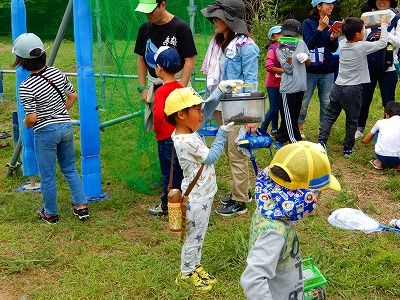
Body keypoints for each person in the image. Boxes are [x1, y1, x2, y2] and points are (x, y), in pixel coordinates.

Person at [241, 141, 341, 299]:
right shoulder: (274, 232)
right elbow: (253, 279)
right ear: (300, 197)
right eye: (317, 195)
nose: (317, 200)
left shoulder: (272, 207)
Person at [164, 86, 236, 292]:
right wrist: (222, 133)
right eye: (197, 109)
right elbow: (211, 157)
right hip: (196, 199)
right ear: (181, 114)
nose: (202, 113)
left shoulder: (185, 129)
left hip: (203, 194)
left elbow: (205, 112)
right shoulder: (186, 140)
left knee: (199, 235)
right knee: (194, 237)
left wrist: (220, 91)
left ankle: (194, 266)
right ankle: (186, 273)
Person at [12, 33, 89, 224]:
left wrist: (26, 123)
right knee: (69, 168)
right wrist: (59, 112)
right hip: (65, 126)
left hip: (45, 133)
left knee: (47, 175)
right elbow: (72, 96)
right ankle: (81, 207)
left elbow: (32, 118)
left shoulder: (26, 86)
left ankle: (51, 213)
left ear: (21, 61)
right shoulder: (57, 72)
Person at [201, 0, 260, 216]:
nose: (213, 21)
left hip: (237, 108)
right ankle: (243, 190)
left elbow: (251, 82)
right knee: (229, 150)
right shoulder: (219, 43)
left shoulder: (247, 48)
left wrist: (252, 117)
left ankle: (240, 201)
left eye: (217, 17)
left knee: (237, 153)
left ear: (230, 20)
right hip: (219, 106)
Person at [318, 17, 389, 157]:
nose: (364, 32)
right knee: (352, 120)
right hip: (353, 89)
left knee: (330, 116)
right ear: (357, 35)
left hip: (337, 86)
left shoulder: (342, 43)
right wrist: (384, 25)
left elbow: (340, 40)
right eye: (362, 30)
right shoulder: (361, 47)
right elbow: (382, 43)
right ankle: (347, 149)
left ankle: (321, 143)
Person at [134, 0, 197, 131]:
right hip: (155, 85)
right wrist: (142, 88)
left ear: (163, 5)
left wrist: (180, 89)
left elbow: (189, 60)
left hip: (177, 83)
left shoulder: (181, 27)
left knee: (181, 128)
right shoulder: (144, 29)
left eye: (151, 11)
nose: (148, 15)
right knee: (161, 128)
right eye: (145, 11)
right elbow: (141, 59)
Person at [147, 46, 184, 216]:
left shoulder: (161, 91)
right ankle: (183, 200)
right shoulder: (180, 87)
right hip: (182, 137)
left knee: (168, 174)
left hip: (166, 139)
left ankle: (167, 205)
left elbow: (160, 115)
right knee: (181, 170)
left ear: (159, 68)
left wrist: (157, 130)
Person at [356, 0, 400, 139]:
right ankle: (359, 128)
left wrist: (384, 34)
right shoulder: (367, 17)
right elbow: (359, 39)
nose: (382, 1)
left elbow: (399, 41)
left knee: (388, 101)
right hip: (368, 65)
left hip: (389, 66)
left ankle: (388, 130)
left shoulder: (396, 19)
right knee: (364, 98)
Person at [298, 0, 340, 139]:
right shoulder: (308, 23)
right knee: (304, 100)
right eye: (328, 4)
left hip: (327, 69)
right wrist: (320, 29)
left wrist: (334, 38)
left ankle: (323, 129)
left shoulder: (332, 23)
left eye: (332, 4)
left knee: (326, 101)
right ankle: (299, 125)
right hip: (310, 69)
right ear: (318, 6)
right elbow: (308, 44)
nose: (331, 6)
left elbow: (333, 49)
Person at [275, 19, 310, 146]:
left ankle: (280, 137)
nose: (289, 37)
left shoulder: (301, 43)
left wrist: (306, 57)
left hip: (301, 85)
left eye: (292, 35)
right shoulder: (281, 48)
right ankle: (295, 139)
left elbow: (309, 63)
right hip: (288, 87)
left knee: (294, 113)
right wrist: (289, 57)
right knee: (287, 115)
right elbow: (288, 70)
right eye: (287, 35)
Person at [259, 25, 283, 137]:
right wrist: (284, 71)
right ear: (273, 37)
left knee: (278, 107)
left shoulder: (286, 47)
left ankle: (274, 130)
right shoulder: (272, 49)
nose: (282, 35)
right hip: (273, 84)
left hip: (283, 84)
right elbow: (268, 67)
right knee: (273, 108)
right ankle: (261, 130)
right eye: (279, 33)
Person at [363, 101, 400, 170]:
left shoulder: (381, 122)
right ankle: (398, 166)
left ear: (386, 114)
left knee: (377, 132)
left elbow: (365, 141)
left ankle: (378, 163)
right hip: (398, 158)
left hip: (382, 157)